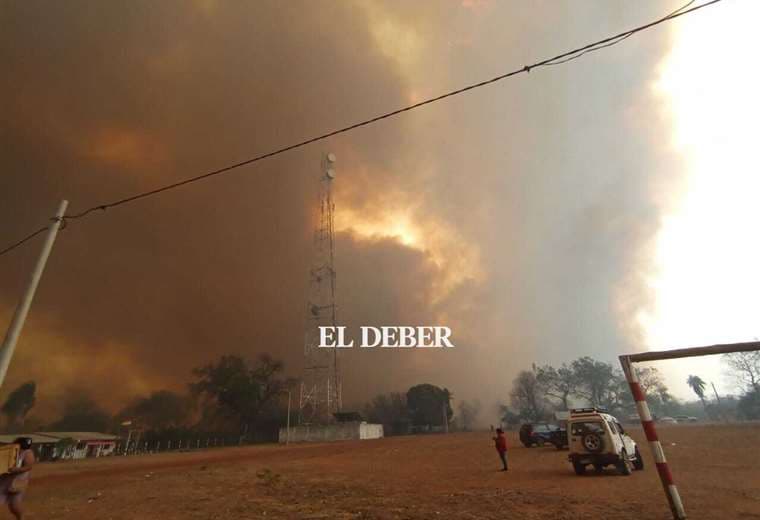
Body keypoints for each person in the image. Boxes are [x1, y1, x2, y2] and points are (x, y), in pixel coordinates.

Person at [0, 437, 35, 520]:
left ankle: (21, 518)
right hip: (4, 480)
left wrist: (17, 470)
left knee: (14, 505)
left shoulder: (27, 453)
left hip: (17, 482)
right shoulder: (9, 451)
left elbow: (28, 467)